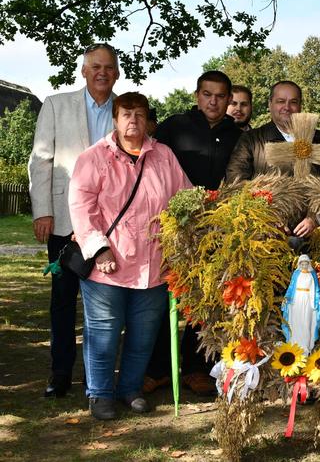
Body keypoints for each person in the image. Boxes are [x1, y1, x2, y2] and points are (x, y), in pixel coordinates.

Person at [68, 92, 191, 420]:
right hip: (108, 265)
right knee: (104, 333)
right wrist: (99, 249)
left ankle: (131, 388)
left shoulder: (163, 155)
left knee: (143, 334)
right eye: (126, 114)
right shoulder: (94, 158)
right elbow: (81, 209)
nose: (132, 121)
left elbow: (185, 198)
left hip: (154, 265)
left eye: (139, 114)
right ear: (115, 118)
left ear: (148, 119)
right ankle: (100, 394)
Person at [28, 43, 119, 398]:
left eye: (108, 67)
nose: (102, 72)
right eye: (95, 66)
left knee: (105, 306)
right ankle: (60, 373)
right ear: (83, 70)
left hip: (110, 225)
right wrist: (43, 211)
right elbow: (41, 160)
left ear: (116, 73)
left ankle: (96, 376)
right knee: (63, 301)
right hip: (65, 221)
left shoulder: (125, 111)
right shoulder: (56, 105)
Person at [145, 70, 242, 396]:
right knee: (164, 297)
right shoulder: (174, 127)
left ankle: (197, 367)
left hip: (217, 230)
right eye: (207, 94)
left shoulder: (238, 135)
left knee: (207, 301)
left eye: (220, 96)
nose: (213, 101)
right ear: (197, 95)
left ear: (229, 99)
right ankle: (157, 368)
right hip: (175, 226)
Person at [226, 80, 320, 239]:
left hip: (315, 237)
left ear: (300, 106)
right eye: (280, 101)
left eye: (293, 102)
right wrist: (267, 216)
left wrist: (314, 218)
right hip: (267, 237)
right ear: (270, 104)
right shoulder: (252, 140)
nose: (287, 107)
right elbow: (236, 182)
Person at [281, 255, 320, 354]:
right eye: (302, 263)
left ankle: (305, 347)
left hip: (308, 301)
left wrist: (319, 300)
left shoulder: (312, 274)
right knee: (295, 322)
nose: (304, 265)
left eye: (306, 263)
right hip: (296, 300)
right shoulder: (296, 274)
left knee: (306, 323)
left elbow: (316, 289)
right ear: (299, 264)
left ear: (309, 264)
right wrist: (286, 298)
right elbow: (291, 287)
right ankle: (294, 345)